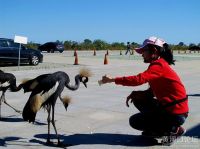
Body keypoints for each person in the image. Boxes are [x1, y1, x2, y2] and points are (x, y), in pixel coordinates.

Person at [101, 36, 188, 141]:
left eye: (143, 51)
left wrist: (113, 79)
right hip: (173, 109)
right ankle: (159, 130)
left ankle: (174, 129)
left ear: (154, 50)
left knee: (135, 121)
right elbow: (152, 92)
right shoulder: (158, 64)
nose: (142, 54)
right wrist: (137, 94)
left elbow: (138, 79)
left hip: (176, 113)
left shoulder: (159, 65)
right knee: (138, 99)